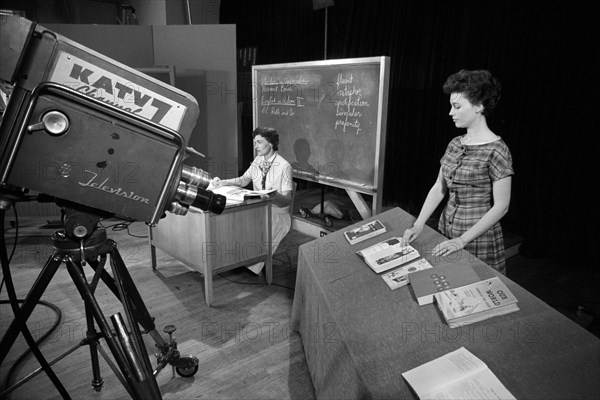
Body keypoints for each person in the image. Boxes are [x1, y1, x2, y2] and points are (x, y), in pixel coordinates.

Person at [402, 69, 513, 274]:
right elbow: (439, 187)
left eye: (457, 106)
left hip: (477, 240)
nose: (451, 113)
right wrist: (418, 224)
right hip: (447, 233)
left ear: (479, 106)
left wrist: (462, 241)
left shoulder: (497, 150)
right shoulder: (455, 143)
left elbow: (502, 207)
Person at [210, 127, 293, 274]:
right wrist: (222, 182)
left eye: (259, 142)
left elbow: (287, 200)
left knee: (254, 236)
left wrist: (273, 196)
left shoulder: (284, 166)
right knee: (235, 224)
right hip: (258, 209)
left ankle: (251, 264)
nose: (256, 147)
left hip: (277, 215)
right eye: (255, 142)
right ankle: (236, 261)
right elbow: (243, 181)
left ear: (271, 144)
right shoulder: (257, 161)